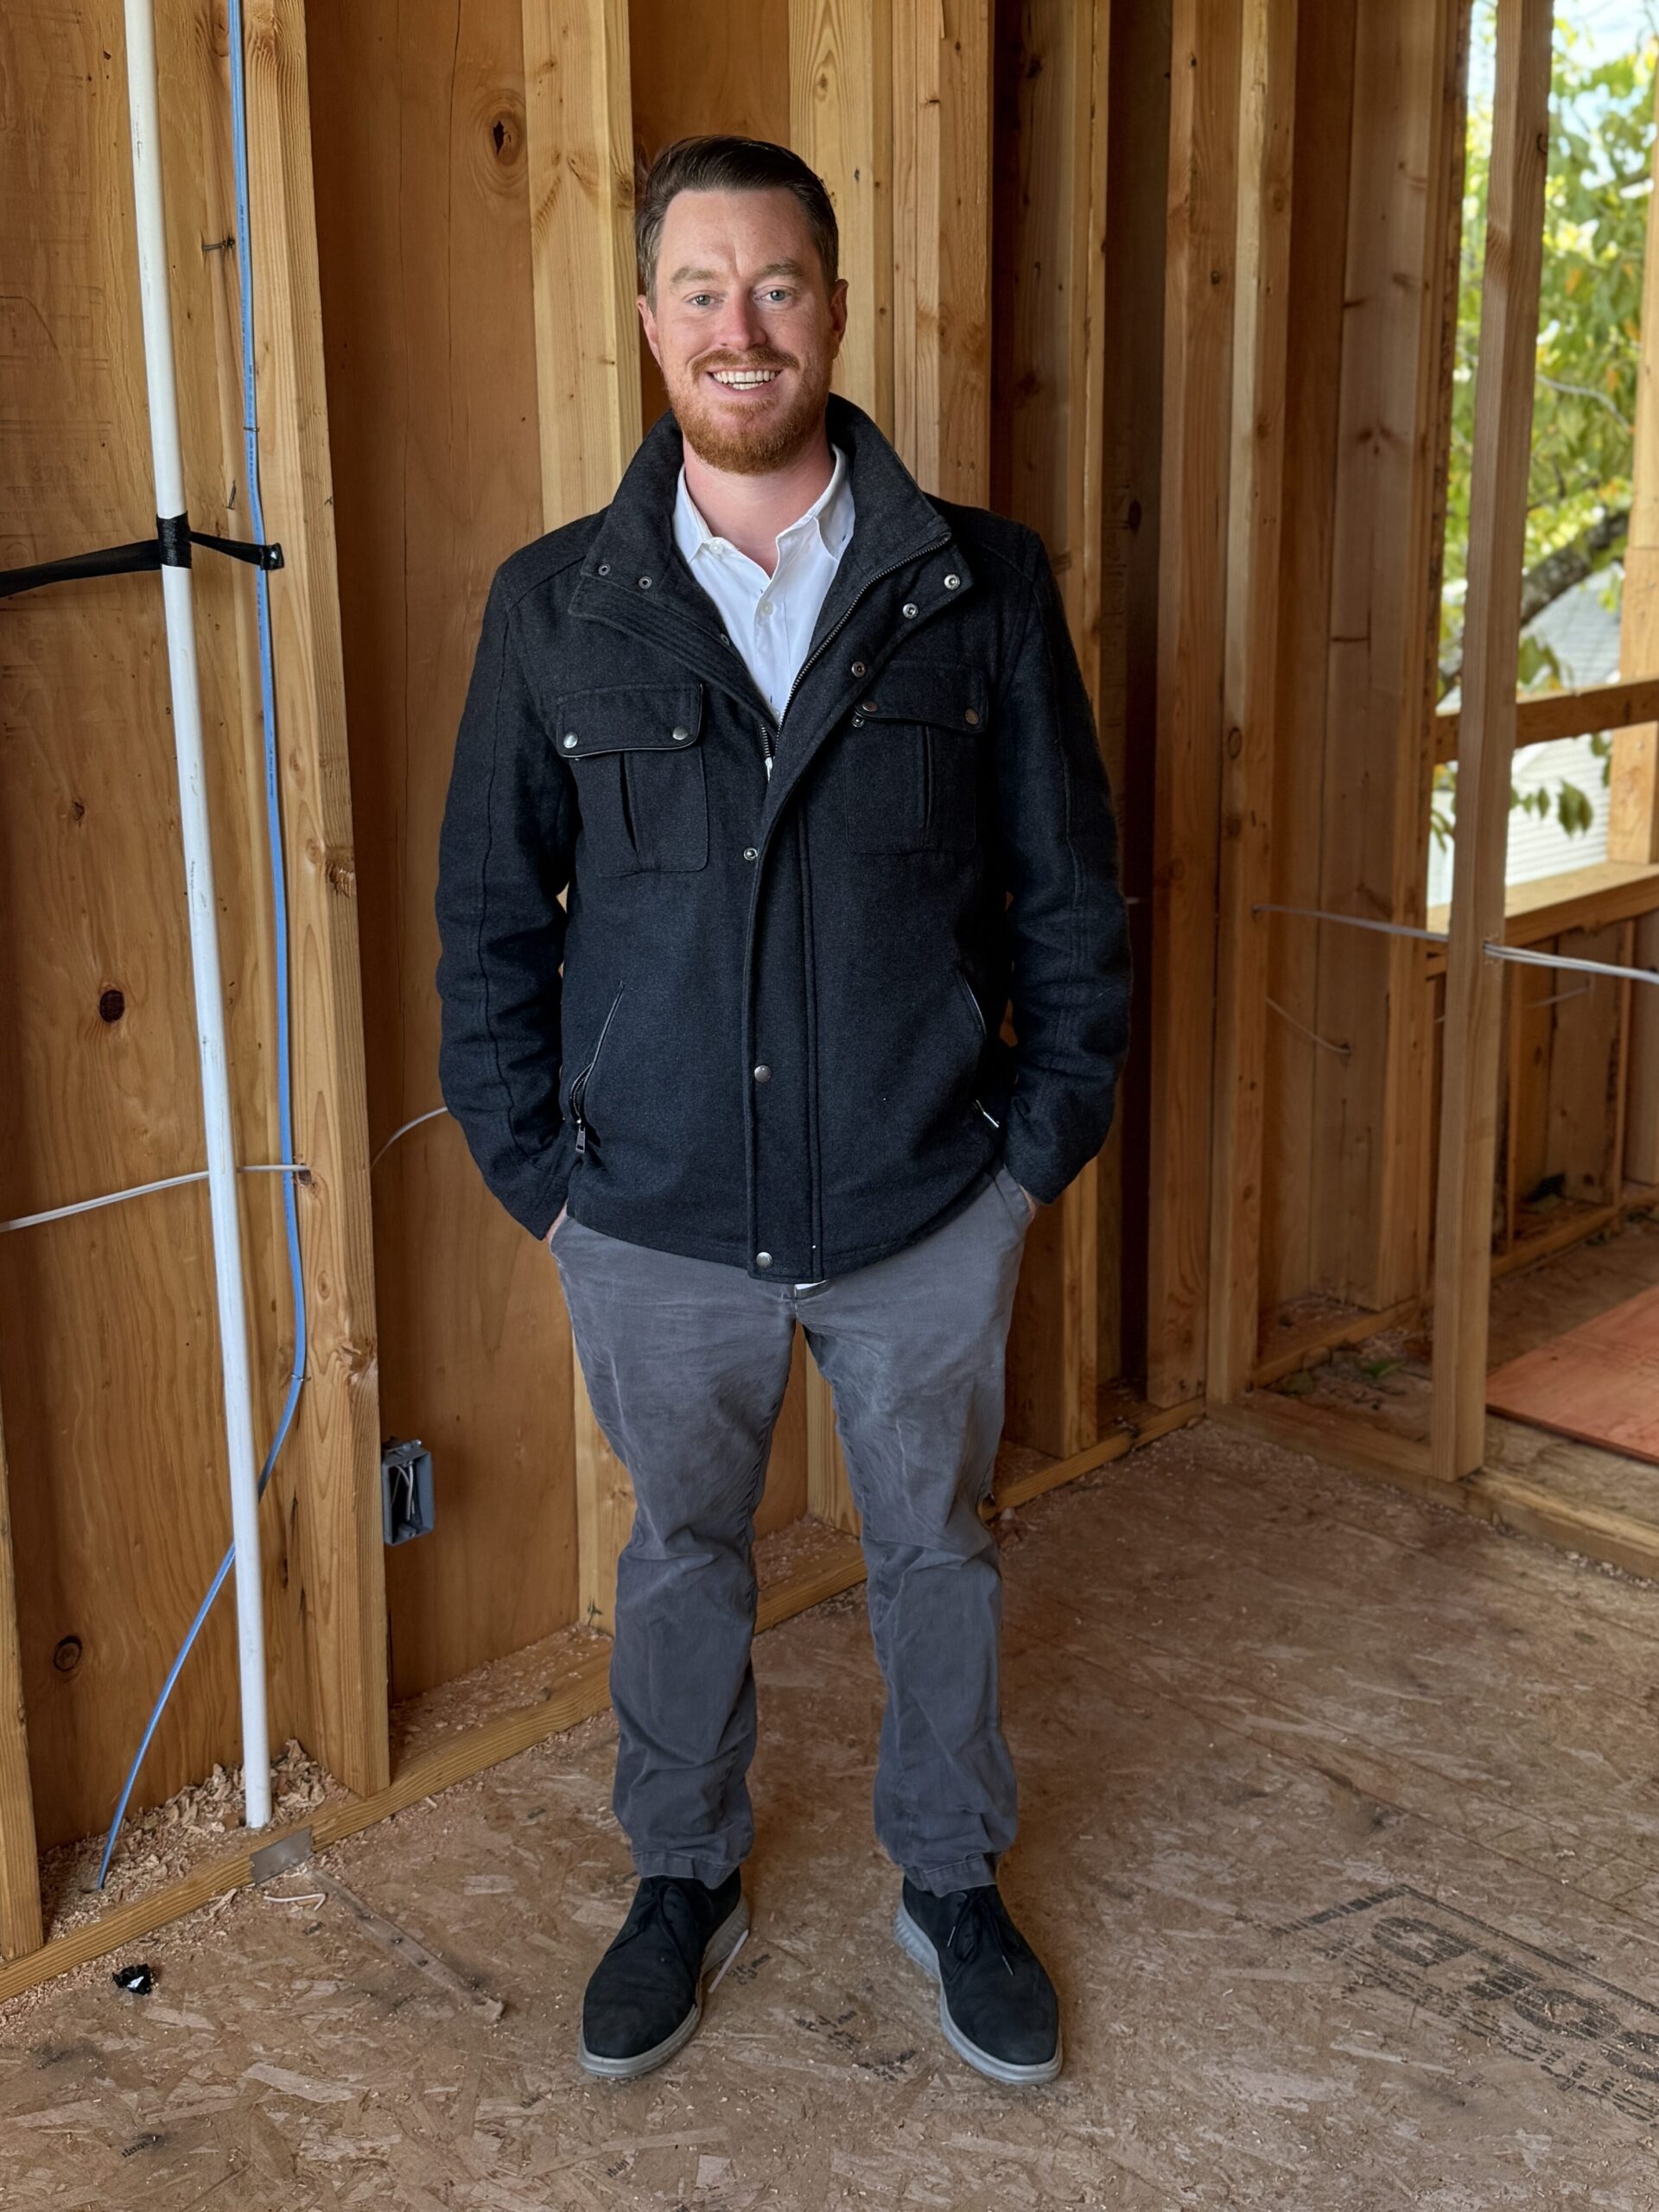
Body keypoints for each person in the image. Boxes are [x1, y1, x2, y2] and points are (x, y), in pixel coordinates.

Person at [435, 135, 1130, 2088]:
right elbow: (490, 923)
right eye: (701, 290)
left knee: (939, 1551)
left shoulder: (980, 586)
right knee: (682, 1553)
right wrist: (546, 1180)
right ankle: (683, 1876)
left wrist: (1027, 1160)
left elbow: (1072, 901)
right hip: (651, 1219)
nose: (739, 326)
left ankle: (952, 1876)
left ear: (833, 304)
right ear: (651, 320)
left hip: (927, 1205)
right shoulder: (556, 605)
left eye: (776, 285)